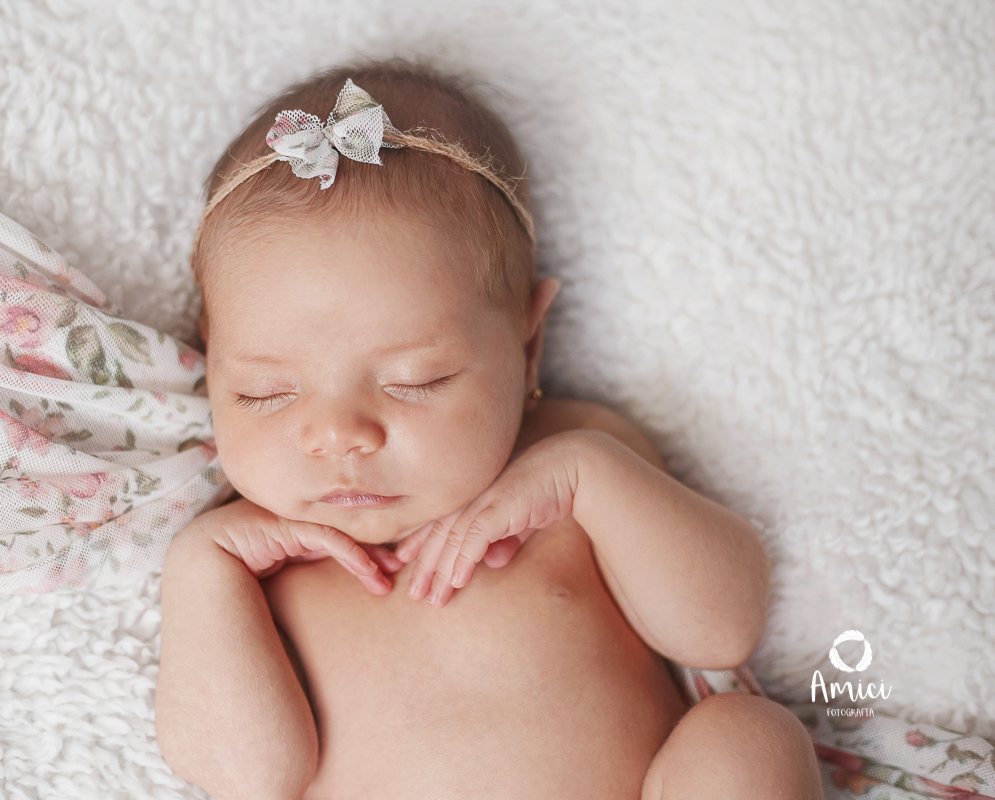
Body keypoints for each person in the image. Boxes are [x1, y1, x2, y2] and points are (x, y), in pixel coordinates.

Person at [155, 60, 824, 800]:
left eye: (416, 381)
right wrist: (203, 569)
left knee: (749, 737)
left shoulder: (574, 458)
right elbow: (248, 778)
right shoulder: (246, 556)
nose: (338, 435)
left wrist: (589, 476)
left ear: (528, 346)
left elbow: (723, 630)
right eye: (265, 393)